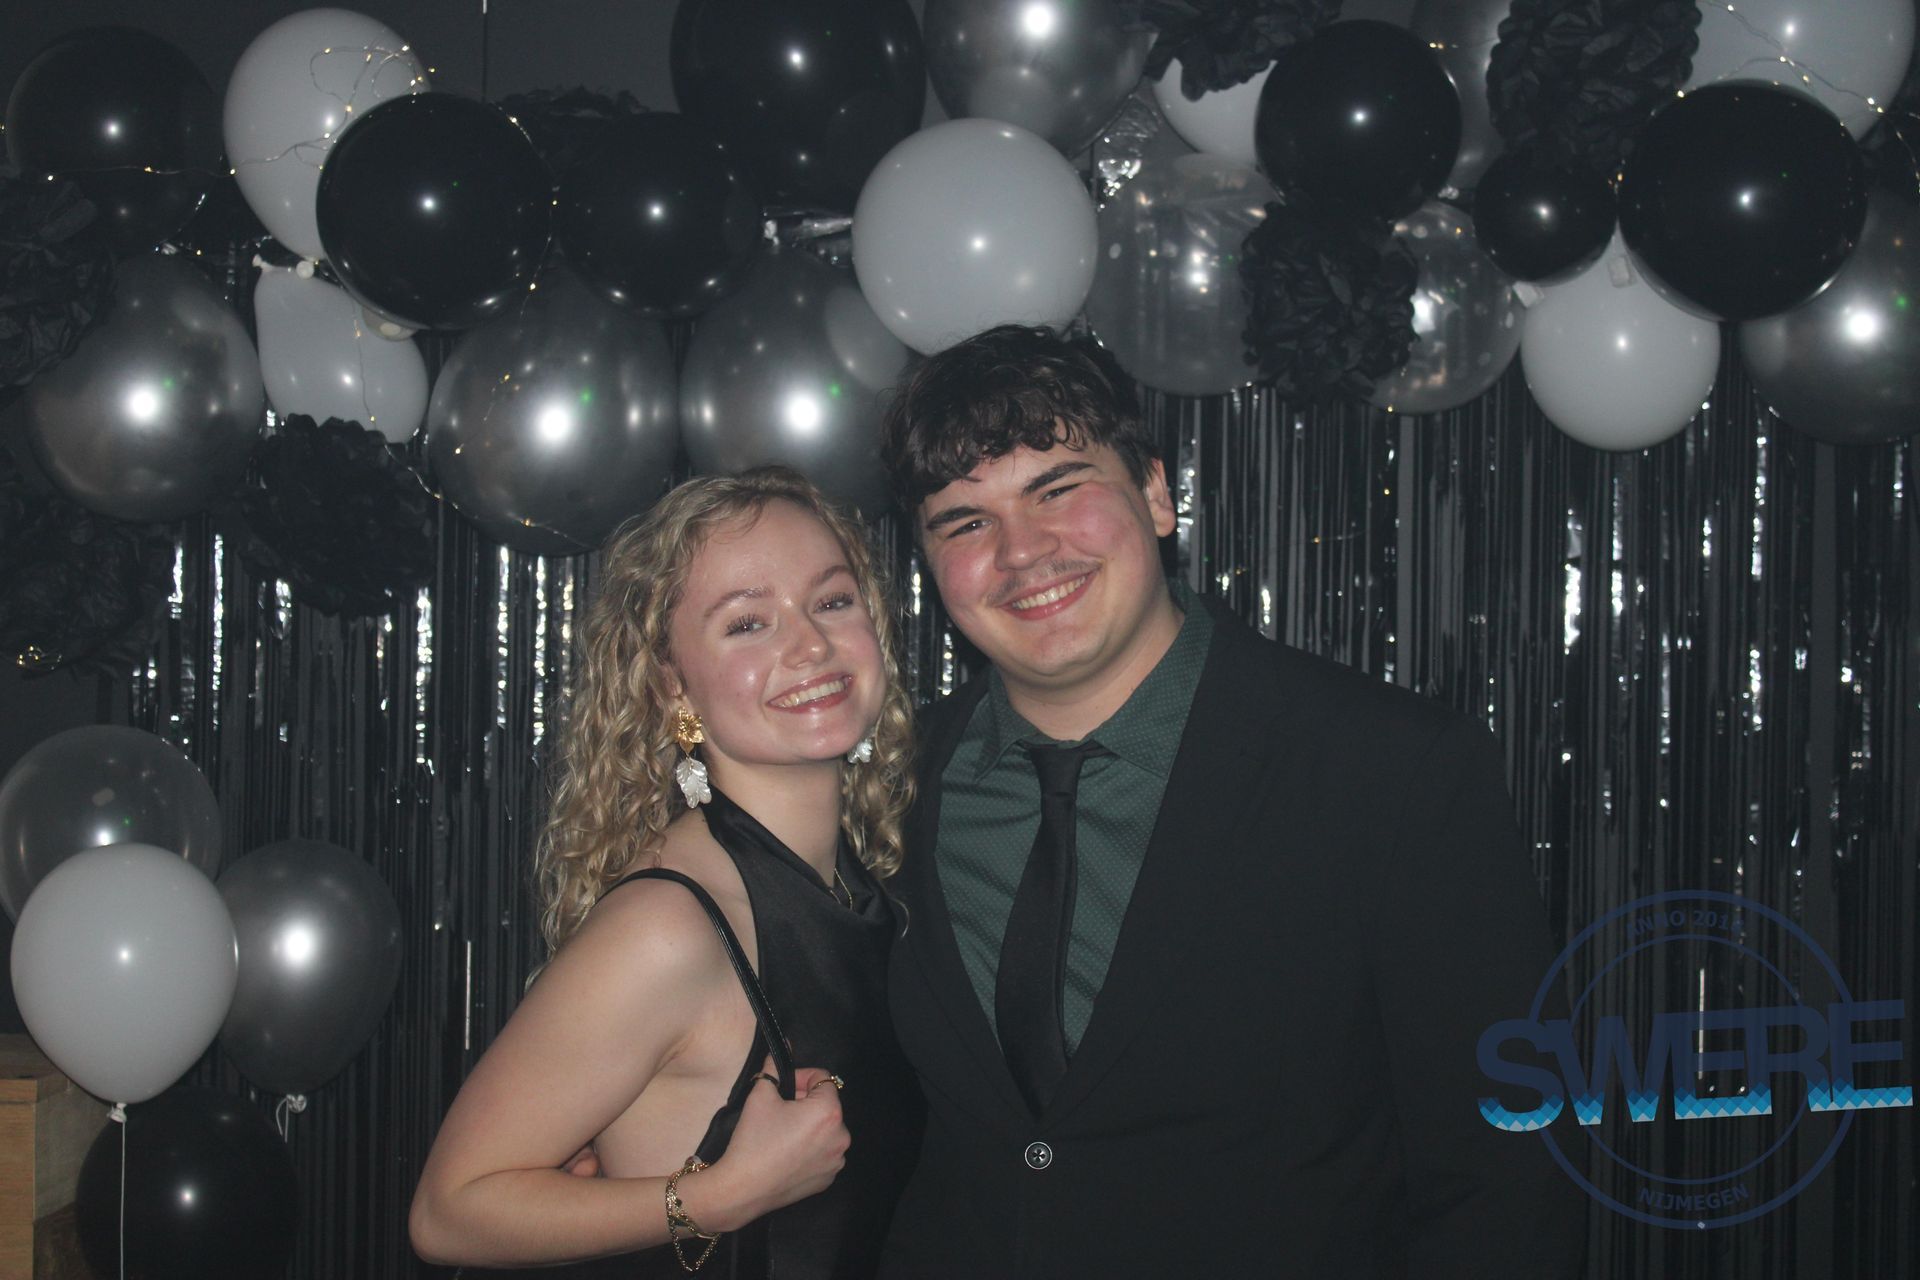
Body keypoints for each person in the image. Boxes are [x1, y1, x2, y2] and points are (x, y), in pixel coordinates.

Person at [873, 326, 1587, 1278]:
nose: (1023, 550)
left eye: (1059, 488)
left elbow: (1508, 1178)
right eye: (965, 523)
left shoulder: (1394, 771)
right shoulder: (889, 783)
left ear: (1155, 493)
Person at [409, 467, 924, 1278]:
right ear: (672, 687)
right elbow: (450, 1211)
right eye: (747, 622)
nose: (810, 645)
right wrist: (722, 1196)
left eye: (831, 601)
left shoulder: (859, 886)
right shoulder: (670, 924)